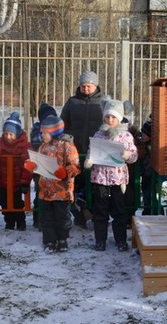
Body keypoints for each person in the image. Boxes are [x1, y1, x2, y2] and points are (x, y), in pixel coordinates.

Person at [84, 99, 137, 251]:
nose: (110, 120)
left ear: (119, 118)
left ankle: (121, 240)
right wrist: (89, 160)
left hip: (118, 180)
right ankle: (100, 240)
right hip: (100, 178)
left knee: (119, 212)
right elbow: (92, 150)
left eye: (113, 117)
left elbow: (134, 155)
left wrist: (127, 155)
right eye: (107, 117)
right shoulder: (98, 134)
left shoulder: (126, 136)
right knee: (100, 212)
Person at [25, 114, 81, 253]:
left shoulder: (67, 146)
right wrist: (32, 165)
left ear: (54, 132)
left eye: (44, 132)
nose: (42, 135)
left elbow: (76, 166)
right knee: (47, 218)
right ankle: (49, 241)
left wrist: (66, 172)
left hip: (62, 191)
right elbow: (39, 164)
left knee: (62, 218)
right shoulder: (43, 147)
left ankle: (62, 239)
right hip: (46, 190)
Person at [61, 70, 109, 228]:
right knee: (76, 184)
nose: (86, 89)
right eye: (83, 86)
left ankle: (97, 215)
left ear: (95, 85)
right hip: (76, 149)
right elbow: (64, 123)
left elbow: (111, 122)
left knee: (97, 184)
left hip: (97, 150)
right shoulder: (72, 102)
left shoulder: (103, 102)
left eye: (88, 86)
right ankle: (80, 215)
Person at [0, 112, 33, 231]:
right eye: (6, 133)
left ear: (17, 134)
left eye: (11, 134)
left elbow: (27, 163)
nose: (8, 137)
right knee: (4, 201)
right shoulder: (0, 144)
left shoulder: (23, 146)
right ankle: (9, 221)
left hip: (17, 181)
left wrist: (25, 182)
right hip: (3, 179)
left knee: (17, 203)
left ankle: (20, 222)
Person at [29, 102, 57, 229]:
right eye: (46, 118)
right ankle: (38, 219)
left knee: (55, 193)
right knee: (40, 193)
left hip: (54, 166)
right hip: (39, 167)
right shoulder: (37, 129)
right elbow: (35, 142)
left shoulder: (57, 129)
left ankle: (52, 219)